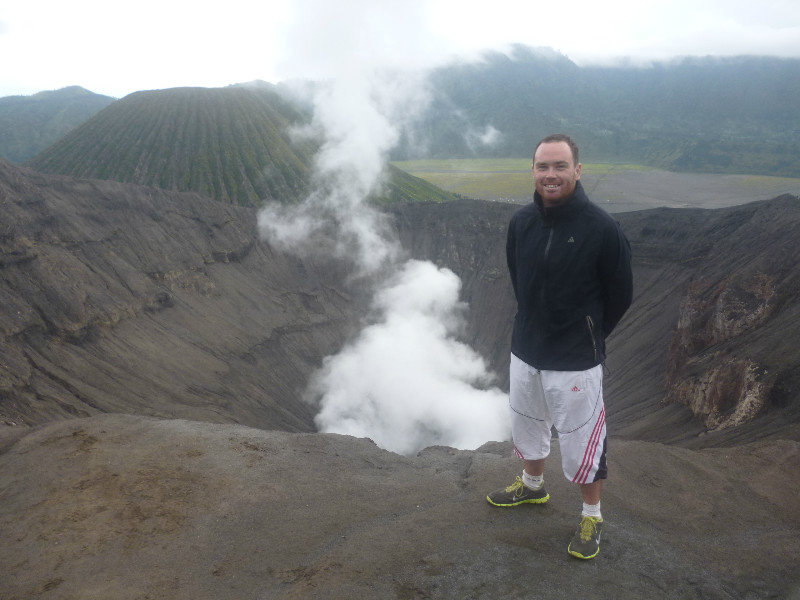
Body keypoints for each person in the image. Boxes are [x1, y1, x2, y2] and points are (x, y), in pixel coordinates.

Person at [487, 134, 633, 560]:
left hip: (574, 357)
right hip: (527, 347)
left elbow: (620, 293)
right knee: (527, 421)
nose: (551, 175)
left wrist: (587, 331)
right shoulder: (522, 223)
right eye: (543, 166)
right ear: (532, 171)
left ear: (577, 170)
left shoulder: (602, 228)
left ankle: (592, 514)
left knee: (582, 435)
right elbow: (520, 277)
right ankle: (532, 486)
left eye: (559, 166)